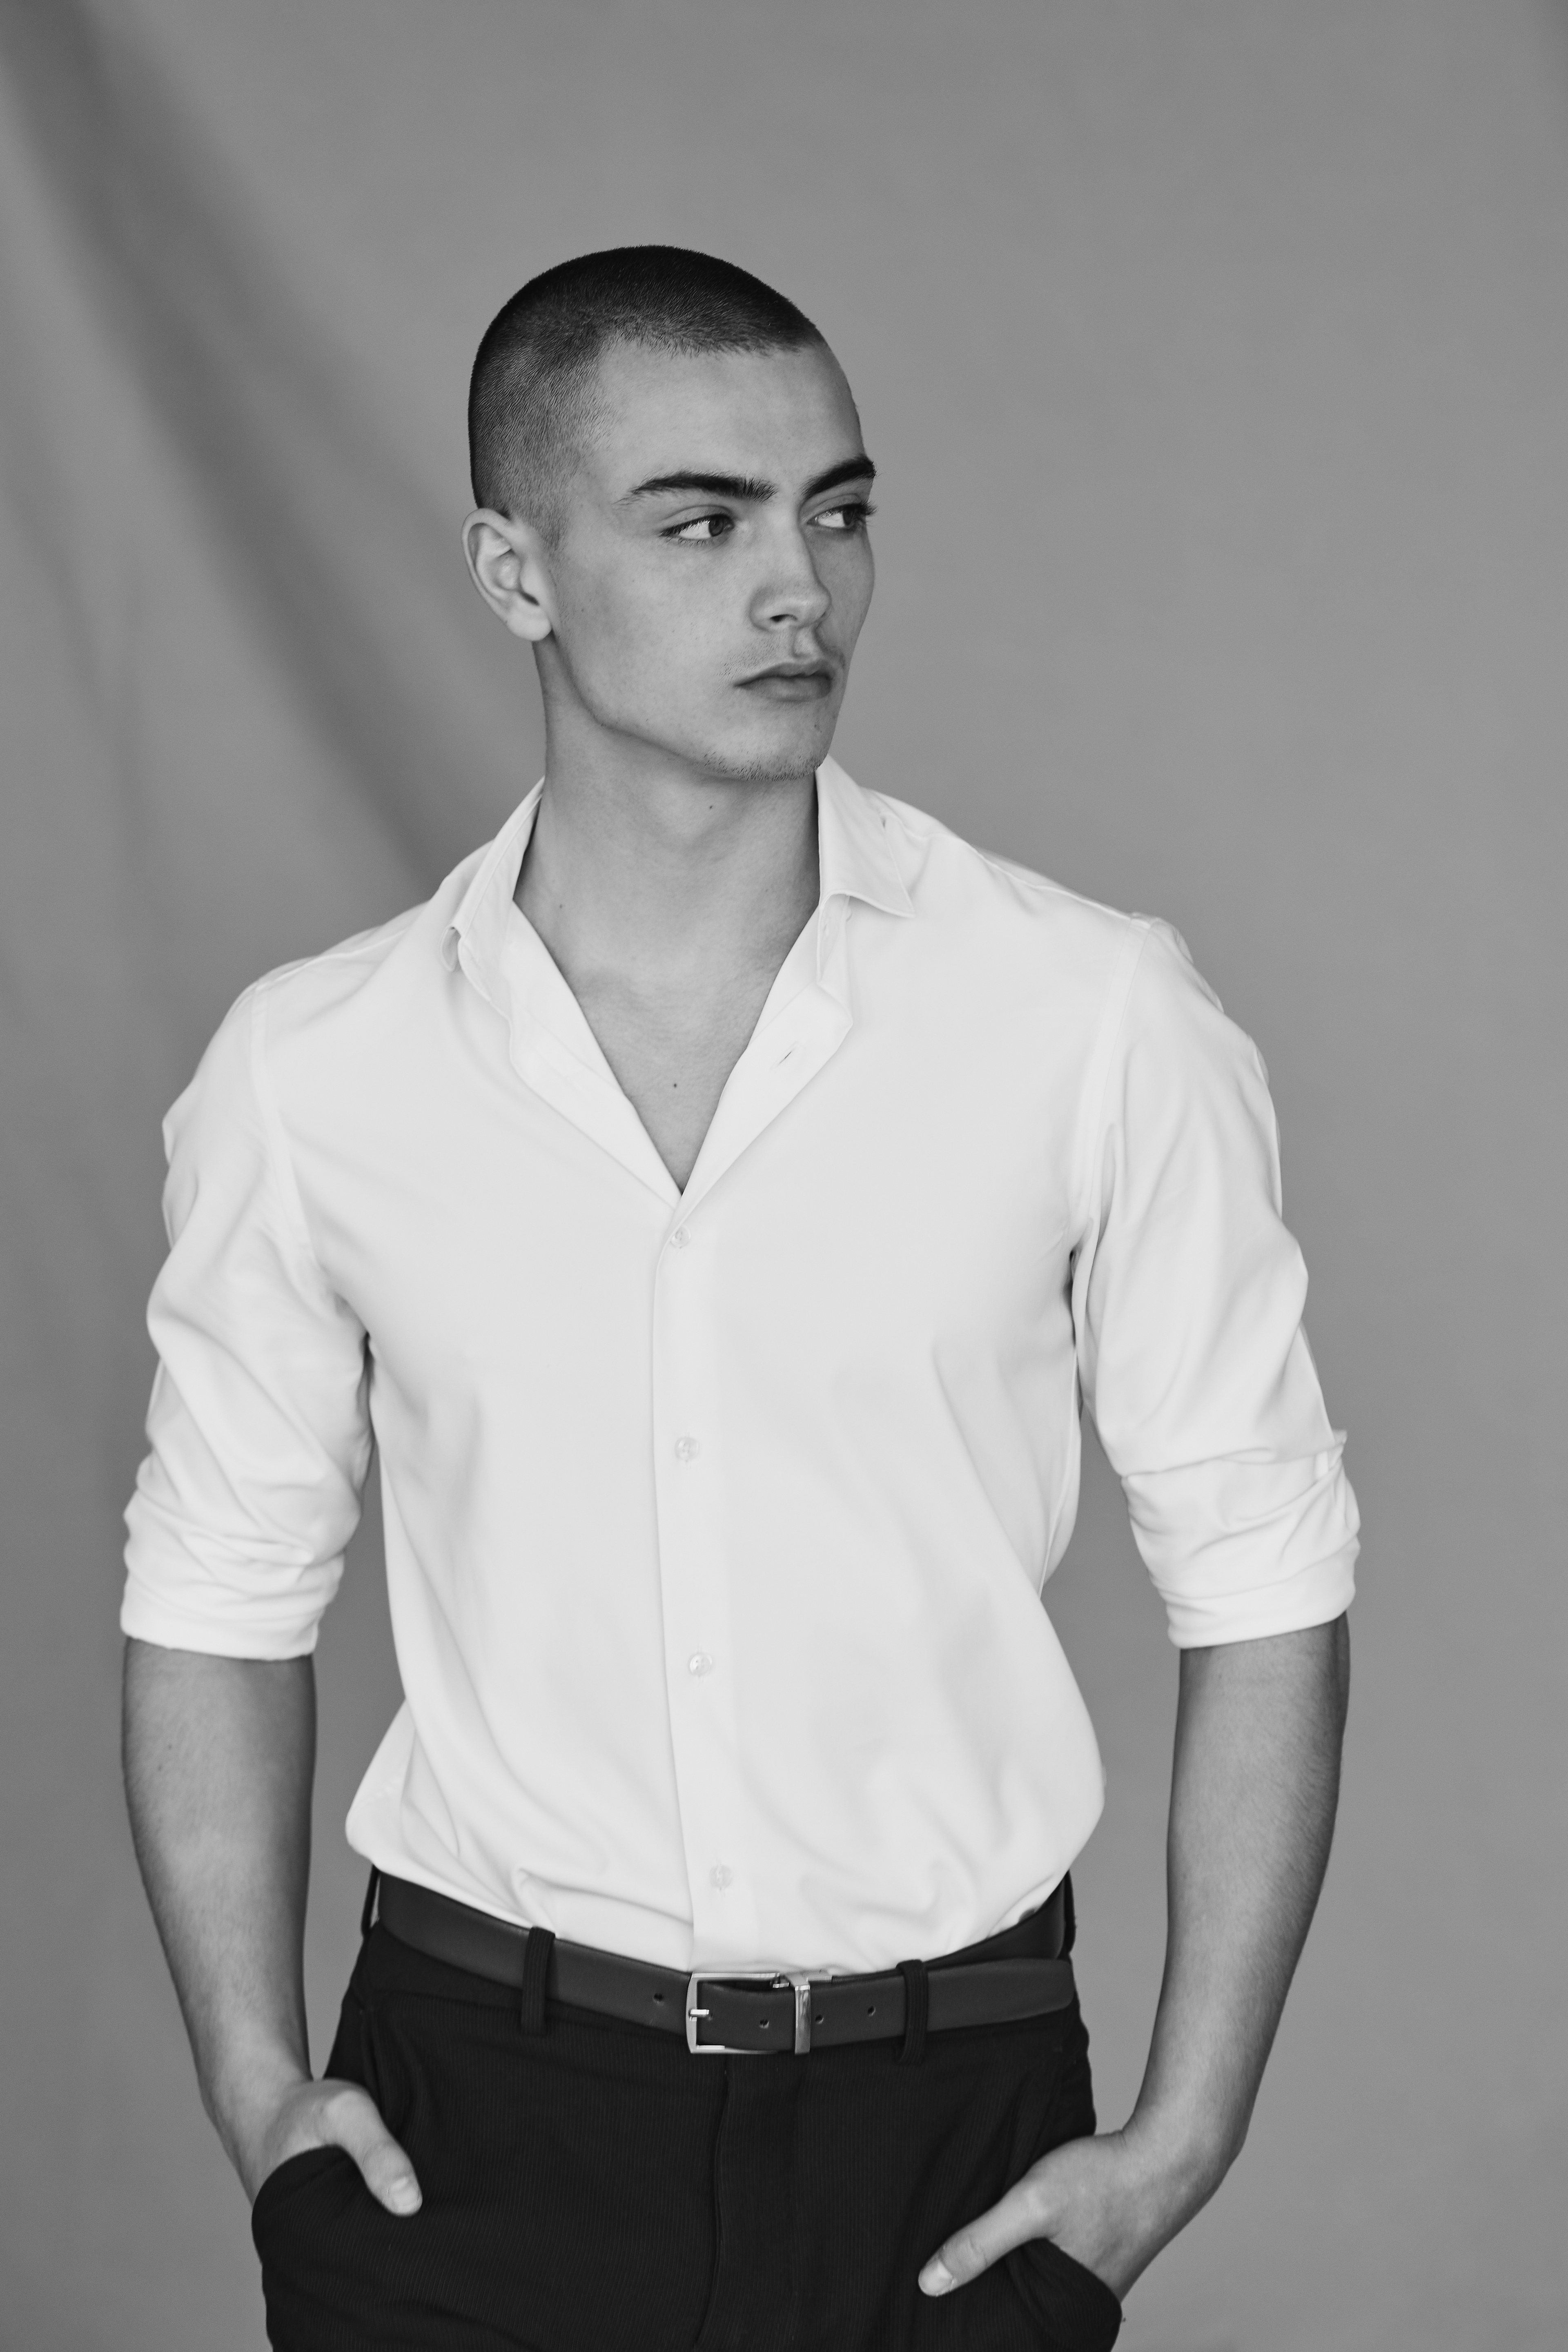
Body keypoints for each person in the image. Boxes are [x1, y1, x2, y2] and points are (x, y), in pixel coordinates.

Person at [121, 245, 1357, 2352]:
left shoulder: (1089, 1019)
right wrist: (257, 2093)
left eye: (837, 511)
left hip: (948, 2136)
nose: (803, 588)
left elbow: (1263, 1566)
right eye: (702, 523)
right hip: (472, 2126)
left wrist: (1184, 2135)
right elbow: (218, 1590)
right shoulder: (317, 1073)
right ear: (514, 570)